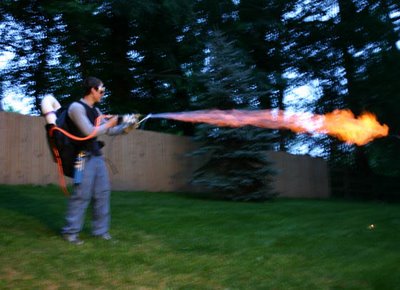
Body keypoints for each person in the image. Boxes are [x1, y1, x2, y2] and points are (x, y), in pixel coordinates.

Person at [61, 76, 136, 245]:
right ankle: (70, 232)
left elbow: (109, 131)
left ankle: (100, 232)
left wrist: (127, 127)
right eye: (101, 90)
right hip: (81, 158)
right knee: (81, 195)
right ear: (92, 90)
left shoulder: (96, 111)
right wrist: (109, 124)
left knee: (102, 194)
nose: (103, 93)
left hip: (96, 157)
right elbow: (89, 131)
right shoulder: (76, 108)